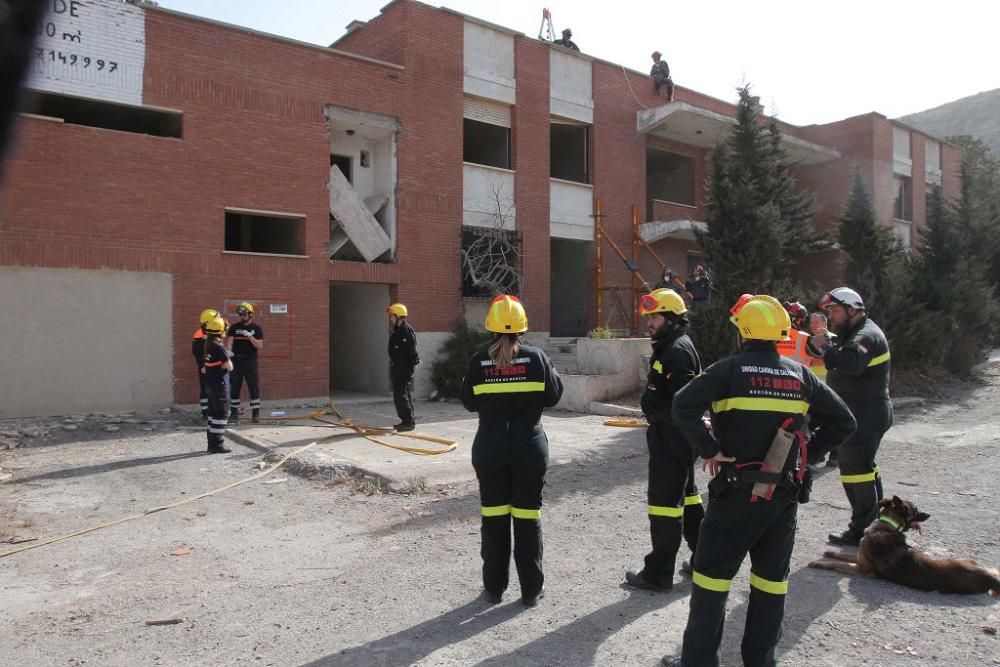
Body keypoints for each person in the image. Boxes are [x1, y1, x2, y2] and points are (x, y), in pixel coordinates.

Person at [660, 295, 855, 667]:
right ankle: (760, 661)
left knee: (712, 582)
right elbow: (845, 422)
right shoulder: (800, 375)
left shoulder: (728, 371)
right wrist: (806, 455)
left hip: (734, 496)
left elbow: (682, 405)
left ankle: (699, 661)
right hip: (781, 499)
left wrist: (710, 448)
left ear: (743, 334)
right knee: (770, 584)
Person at [460, 294, 564, 607]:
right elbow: (554, 396)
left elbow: (468, 401)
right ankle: (531, 591)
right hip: (529, 450)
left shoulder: (478, 360)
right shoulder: (536, 358)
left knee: (494, 519)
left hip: (490, 449)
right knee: (527, 518)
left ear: (490, 327)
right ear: (522, 327)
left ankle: (494, 588)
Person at [625, 288, 704, 592]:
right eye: (649, 317)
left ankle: (657, 573)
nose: (649, 322)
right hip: (673, 437)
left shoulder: (677, 351)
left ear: (671, 318)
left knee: (665, 506)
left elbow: (685, 403)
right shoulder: (671, 345)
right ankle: (703, 558)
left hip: (672, 437)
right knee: (690, 498)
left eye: (654, 317)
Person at [812, 287, 892, 546]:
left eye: (834, 311)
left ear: (851, 308)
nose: (831, 317)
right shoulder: (855, 332)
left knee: (857, 471)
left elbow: (851, 364)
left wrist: (825, 349)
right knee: (861, 470)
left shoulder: (865, 335)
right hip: (861, 413)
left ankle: (862, 531)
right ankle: (876, 526)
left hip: (865, 415)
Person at [226, 302, 264, 424]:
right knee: (235, 388)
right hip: (236, 361)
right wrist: (228, 353)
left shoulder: (257, 329)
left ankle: (255, 414)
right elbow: (229, 342)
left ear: (250, 314)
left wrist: (250, 337)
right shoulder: (234, 328)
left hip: (250, 361)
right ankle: (234, 413)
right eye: (240, 314)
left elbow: (259, 345)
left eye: (244, 313)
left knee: (253, 387)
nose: (241, 316)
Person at [202, 315, 233, 454]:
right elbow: (229, 367)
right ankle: (217, 445)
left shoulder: (208, 346)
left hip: (210, 385)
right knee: (221, 415)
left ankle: (211, 443)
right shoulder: (219, 347)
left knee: (212, 415)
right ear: (220, 331)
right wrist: (228, 355)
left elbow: (205, 367)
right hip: (220, 386)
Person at [387, 302, 420, 432]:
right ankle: (407, 420)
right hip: (398, 367)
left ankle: (408, 422)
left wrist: (411, 365)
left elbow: (411, 350)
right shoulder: (398, 331)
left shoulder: (405, 331)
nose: (390, 319)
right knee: (402, 394)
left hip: (403, 368)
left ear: (399, 317)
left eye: (392, 316)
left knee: (401, 395)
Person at [193, 308, 222, 420]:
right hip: (207, 366)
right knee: (207, 387)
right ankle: (206, 411)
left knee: (209, 387)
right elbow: (198, 352)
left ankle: (210, 410)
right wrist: (203, 364)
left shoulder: (207, 332)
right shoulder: (201, 336)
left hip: (210, 365)